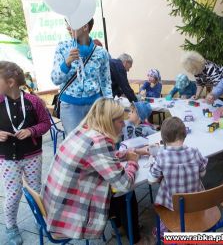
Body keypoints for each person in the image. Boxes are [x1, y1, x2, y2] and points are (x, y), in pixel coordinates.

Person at [42, 98, 145, 242]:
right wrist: (133, 162)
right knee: (126, 193)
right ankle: (136, 239)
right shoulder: (100, 142)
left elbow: (100, 157)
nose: (123, 125)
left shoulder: (84, 129)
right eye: (121, 121)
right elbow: (125, 184)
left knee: (116, 192)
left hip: (55, 204)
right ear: (109, 121)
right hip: (67, 214)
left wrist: (127, 154)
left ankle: (121, 227)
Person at [0, 61, 51, 245]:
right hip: (7, 159)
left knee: (35, 190)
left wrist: (32, 131)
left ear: (11, 82)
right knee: (13, 195)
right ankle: (11, 225)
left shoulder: (33, 101)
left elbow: (46, 123)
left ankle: (41, 219)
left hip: (32, 155)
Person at [51, 18, 112, 134]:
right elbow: (55, 79)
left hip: (95, 106)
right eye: (67, 24)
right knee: (74, 146)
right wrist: (67, 63)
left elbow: (106, 81)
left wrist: (109, 105)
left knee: (97, 143)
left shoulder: (101, 52)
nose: (68, 27)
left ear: (85, 27)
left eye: (71, 24)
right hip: (70, 108)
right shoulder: (62, 48)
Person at [148, 117, 208, 235]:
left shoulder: (161, 155)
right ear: (184, 135)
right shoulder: (194, 151)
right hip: (195, 200)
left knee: (163, 191)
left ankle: (163, 229)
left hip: (172, 204)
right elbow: (203, 173)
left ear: (163, 138)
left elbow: (152, 179)